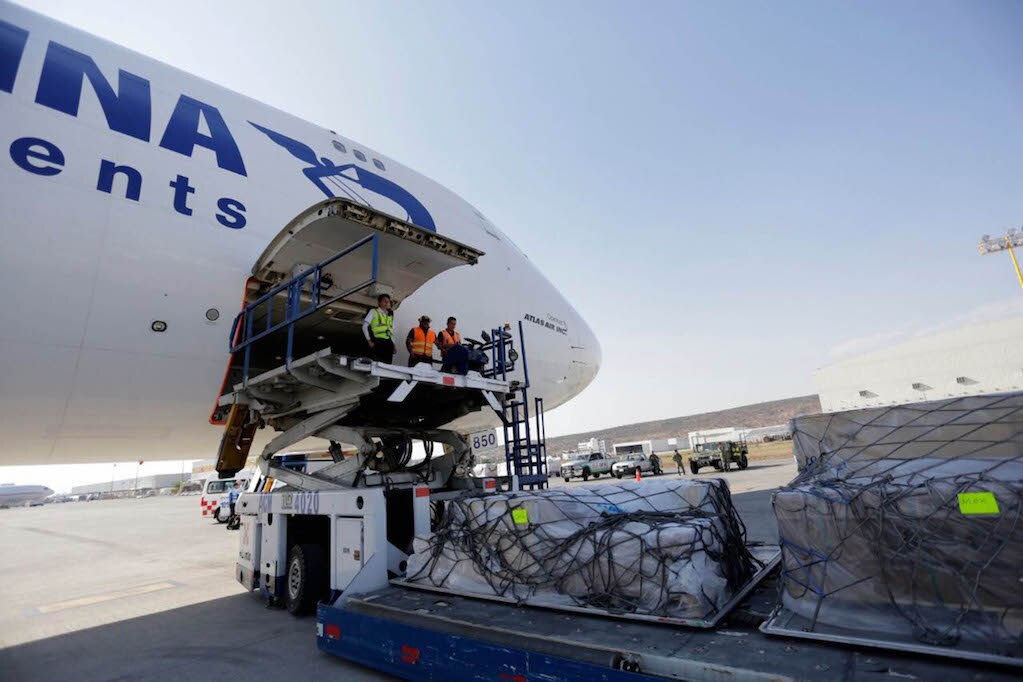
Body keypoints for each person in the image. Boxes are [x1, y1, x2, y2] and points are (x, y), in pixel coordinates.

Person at [362, 294, 395, 363]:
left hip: (389, 343)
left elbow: (391, 331)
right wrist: (369, 340)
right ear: (379, 303)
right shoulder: (374, 311)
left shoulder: (390, 315)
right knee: (378, 363)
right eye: (384, 301)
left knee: (388, 365)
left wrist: (393, 344)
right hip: (378, 341)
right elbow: (364, 326)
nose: (387, 303)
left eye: (388, 301)